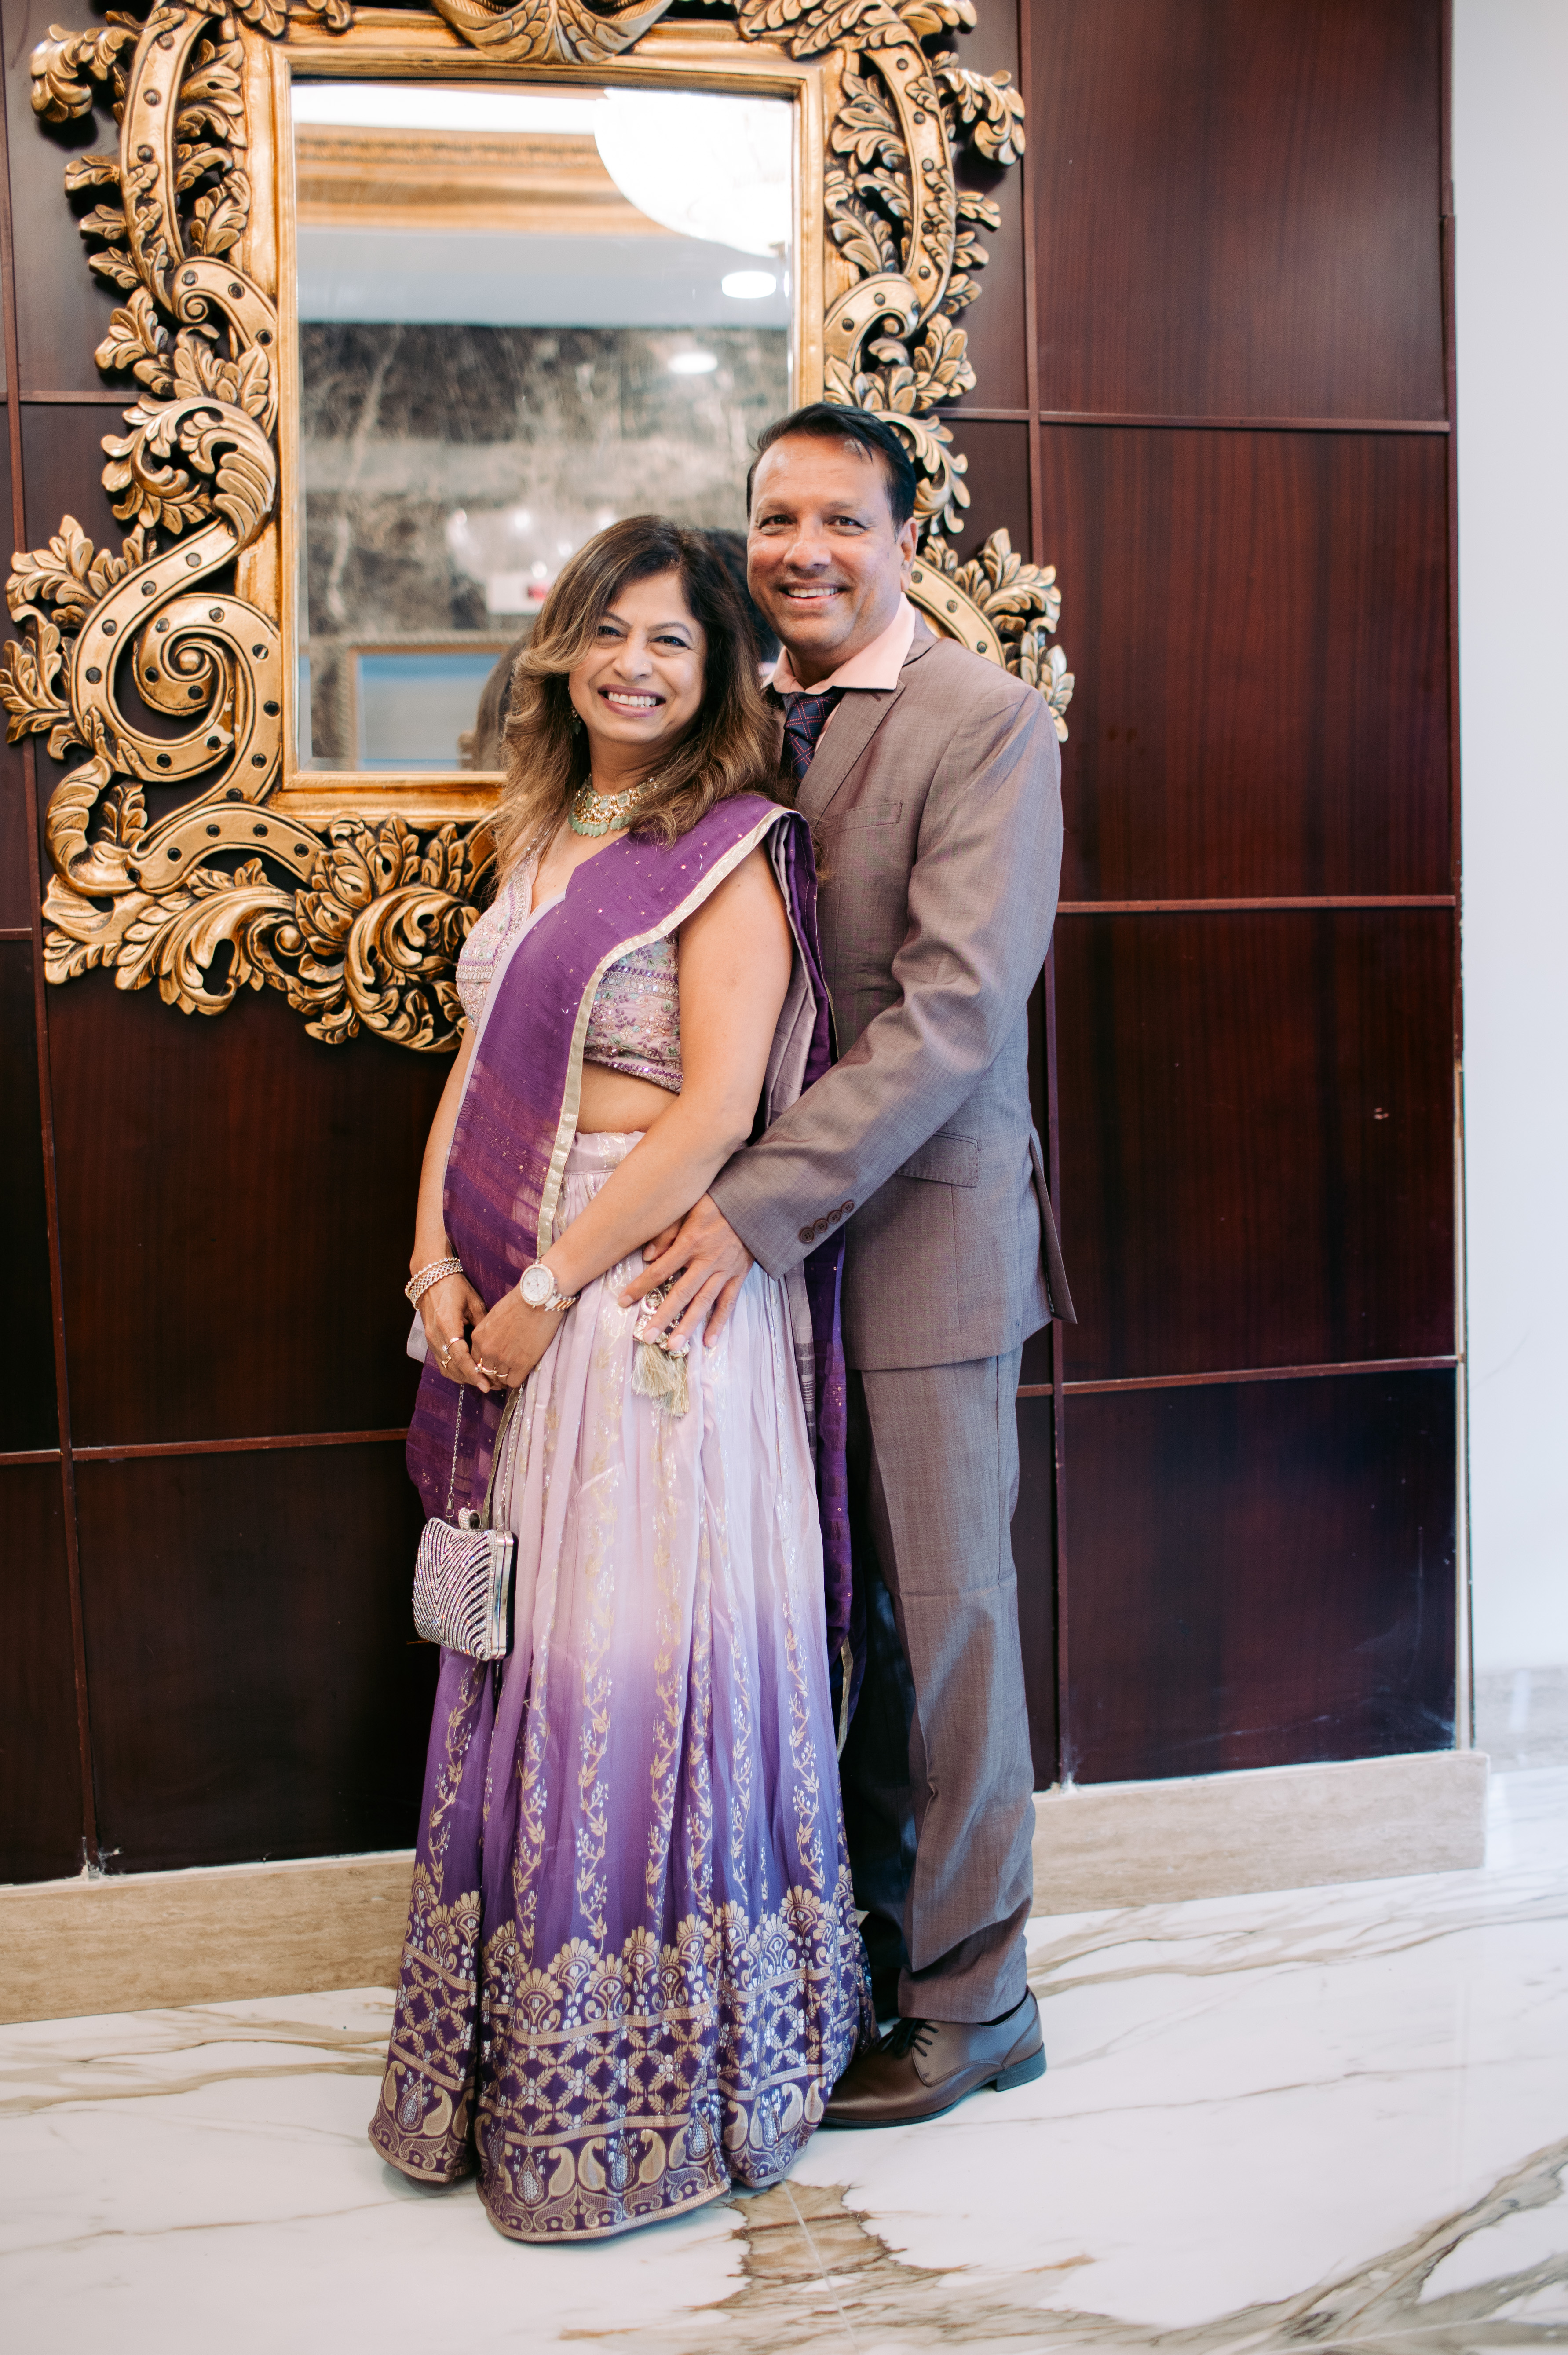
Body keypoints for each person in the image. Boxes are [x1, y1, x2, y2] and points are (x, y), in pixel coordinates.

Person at [370, 516, 873, 2240]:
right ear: (563, 646)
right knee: (529, 1644)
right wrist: (435, 1266)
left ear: (718, 670)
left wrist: (544, 1285)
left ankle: (658, 2078)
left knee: (635, 1651)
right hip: (500, 1262)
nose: (635, 663)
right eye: (610, 629)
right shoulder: (536, 833)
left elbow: (716, 1108)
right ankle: (516, 2066)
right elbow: (470, 1070)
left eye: (673, 639)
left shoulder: (731, 851)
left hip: (641, 1282)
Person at [626, 403, 1075, 2128]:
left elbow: (952, 1017)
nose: (801, 550)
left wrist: (751, 1204)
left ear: (904, 538)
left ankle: (977, 2001)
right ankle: (861, 1956)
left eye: (840, 520)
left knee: (946, 1631)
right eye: (774, 518)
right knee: (833, 1630)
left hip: (918, 1246)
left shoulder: (987, 720)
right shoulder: (739, 718)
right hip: (758, 1260)